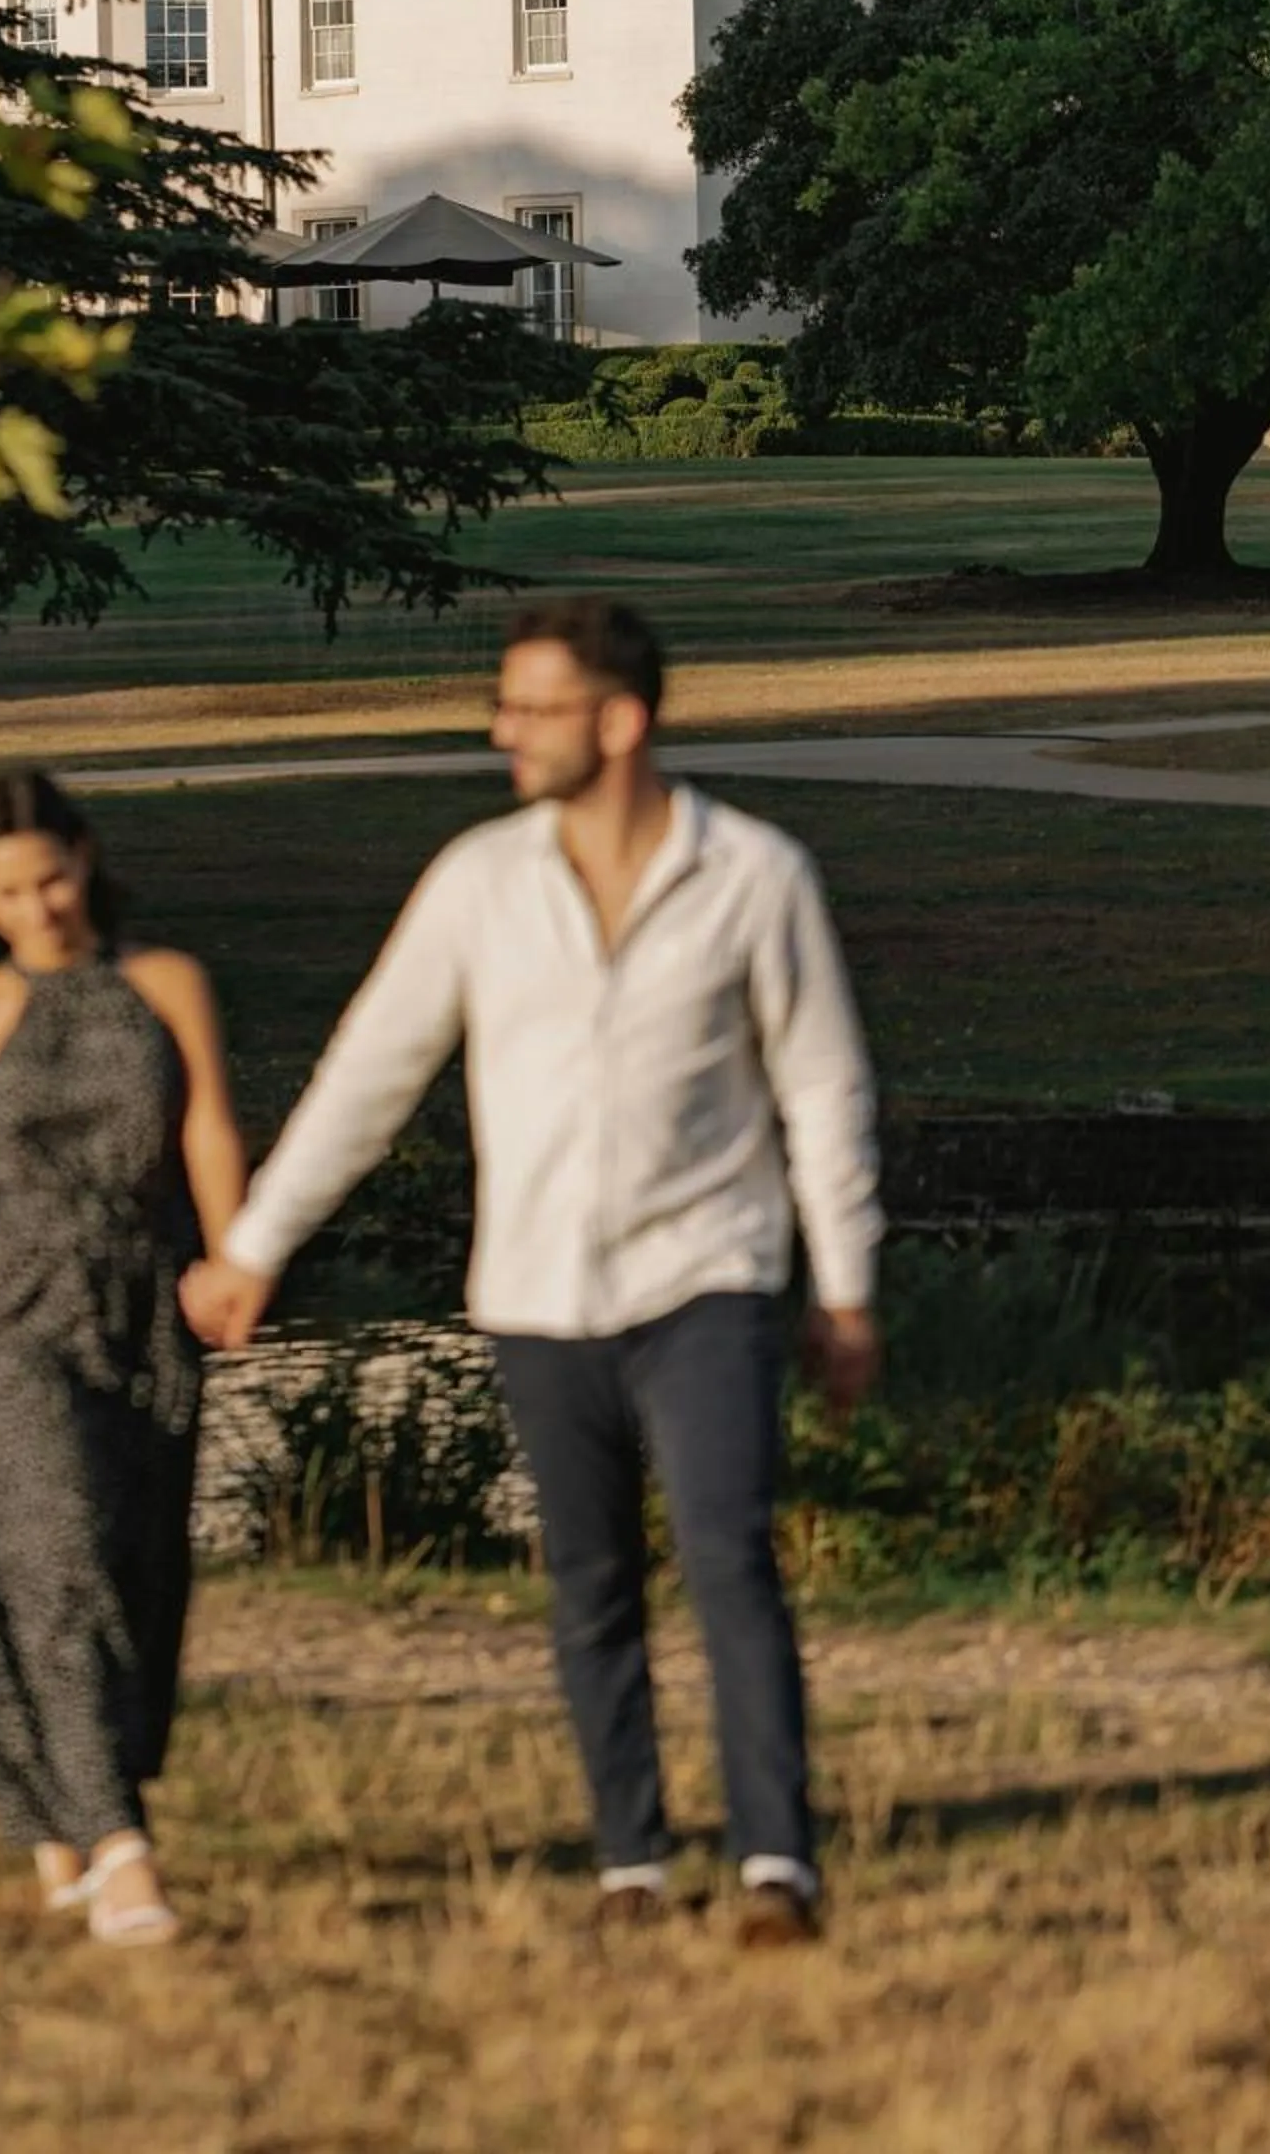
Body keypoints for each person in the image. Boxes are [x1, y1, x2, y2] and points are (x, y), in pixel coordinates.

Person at [180, 597, 881, 1946]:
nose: (501, 729)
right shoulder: (478, 882)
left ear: (619, 723)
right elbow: (371, 1074)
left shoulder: (756, 876)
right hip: (538, 1294)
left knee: (730, 1558)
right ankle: (630, 1862)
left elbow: (823, 1089)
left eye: (532, 707)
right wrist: (256, 1247)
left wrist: (844, 1290)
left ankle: (775, 1868)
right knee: (590, 1577)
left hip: (709, 1279)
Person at [0, 768, 245, 1948]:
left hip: (146, 1308)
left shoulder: (165, 982)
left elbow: (207, 1128)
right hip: (12, 1317)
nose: (38, 908)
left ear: (86, 857)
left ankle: (61, 1815)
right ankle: (122, 1853)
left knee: (126, 1572)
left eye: (52, 878)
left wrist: (234, 1259)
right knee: (53, 1553)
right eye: (8, 891)